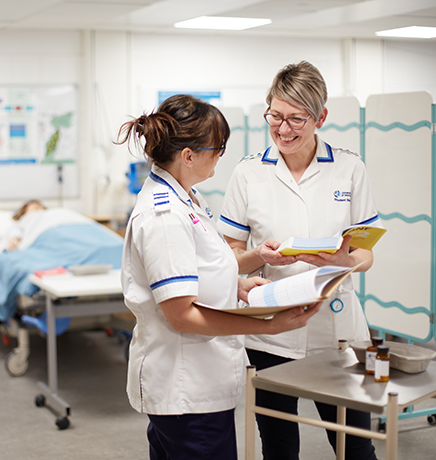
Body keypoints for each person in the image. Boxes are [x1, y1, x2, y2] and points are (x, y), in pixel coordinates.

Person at [117, 94, 321, 460]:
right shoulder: (165, 217)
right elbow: (180, 314)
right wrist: (269, 327)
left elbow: (198, 270)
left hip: (197, 384)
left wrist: (240, 282)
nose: (221, 155)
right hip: (186, 390)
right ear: (189, 156)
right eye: (218, 148)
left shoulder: (187, 198)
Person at [217, 61, 381, 460]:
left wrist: (346, 260)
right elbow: (227, 260)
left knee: (354, 442)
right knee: (279, 445)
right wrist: (257, 255)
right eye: (275, 116)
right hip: (271, 328)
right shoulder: (248, 173)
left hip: (337, 326)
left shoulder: (349, 168)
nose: (284, 129)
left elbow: (367, 253)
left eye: (296, 119)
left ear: (321, 116)